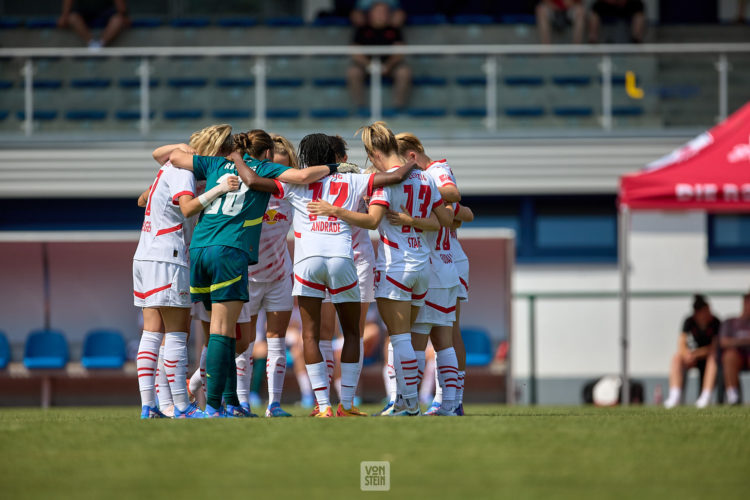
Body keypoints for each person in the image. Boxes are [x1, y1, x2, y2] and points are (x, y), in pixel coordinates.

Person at [168, 130, 338, 417]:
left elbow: (172, 156)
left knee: (227, 333)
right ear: (268, 154)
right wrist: (336, 167)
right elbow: (301, 177)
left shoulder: (214, 163)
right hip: (229, 252)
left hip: (199, 248)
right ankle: (213, 408)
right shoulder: (264, 170)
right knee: (224, 332)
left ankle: (232, 402)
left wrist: (196, 151)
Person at [307, 122, 454, 416]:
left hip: (396, 265)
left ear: (375, 152)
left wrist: (335, 210)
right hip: (422, 263)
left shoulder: (385, 181)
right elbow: (444, 221)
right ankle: (404, 399)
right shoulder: (425, 177)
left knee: (399, 337)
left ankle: (409, 403)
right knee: (410, 337)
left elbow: (373, 221)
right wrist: (413, 220)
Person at [277, 132, 417, 417]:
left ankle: (322, 404)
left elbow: (258, 180)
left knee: (313, 335)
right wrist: (412, 163)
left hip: (308, 260)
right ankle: (348, 404)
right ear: (336, 159)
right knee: (353, 332)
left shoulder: (294, 183)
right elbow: (394, 177)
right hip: (346, 259)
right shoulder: (354, 179)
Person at [134, 124, 240, 419]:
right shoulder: (184, 171)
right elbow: (187, 209)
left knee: (152, 334)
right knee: (177, 335)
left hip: (144, 254)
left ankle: (149, 405)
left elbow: (143, 198)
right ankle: (182, 406)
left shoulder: (171, 165)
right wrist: (220, 188)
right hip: (169, 255)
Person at [316, 135, 377, 415]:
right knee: (335, 333)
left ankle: (341, 401)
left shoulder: (359, 177)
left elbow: (379, 178)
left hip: (351, 258)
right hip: (341, 258)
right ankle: (333, 403)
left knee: (346, 333)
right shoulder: (315, 180)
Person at [348, 1, 411, 112]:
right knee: (353, 72)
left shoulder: (393, 30)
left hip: (390, 67)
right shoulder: (362, 29)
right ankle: (360, 108)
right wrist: (370, 65)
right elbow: (355, 52)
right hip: (366, 66)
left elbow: (400, 51)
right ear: (370, 14)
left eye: (384, 12)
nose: (381, 14)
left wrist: (387, 66)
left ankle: (398, 108)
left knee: (404, 72)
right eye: (378, 11)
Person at [663, 295, 721, 409]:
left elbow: (714, 347)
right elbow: (681, 342)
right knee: (676, 358)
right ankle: (675, 396)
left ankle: (706, 396)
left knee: (713, 358)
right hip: (692, 358)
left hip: (707, 357)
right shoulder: (689, 321)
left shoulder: (715, 322)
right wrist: (686, 354)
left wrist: (696, 353)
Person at [58, 0, 130, 49]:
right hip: (85, 12)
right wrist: (64, 15)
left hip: (105, 12)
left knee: (118, 19)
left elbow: (120, 6)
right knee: (72, 17)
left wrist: (124, 14)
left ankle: (100, 44)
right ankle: (92, 43)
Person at [720, 291, 750, 405]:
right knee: (729, 356)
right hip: (737, 356)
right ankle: (733, 396)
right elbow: (723, 342)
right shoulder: (731, 322)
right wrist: (744, 341)